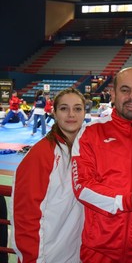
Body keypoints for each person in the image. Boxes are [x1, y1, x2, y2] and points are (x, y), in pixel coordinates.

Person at [71, 67, 132, 263]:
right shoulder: (91, 133)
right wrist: (126, 201)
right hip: (100, 251)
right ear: (113, 93)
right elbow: (81, 187)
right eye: (125, 90)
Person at [11, 88, 86, 263]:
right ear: (54, 112)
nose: (71, 114)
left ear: (84, 112)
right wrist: (32, 257)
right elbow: (24, 212)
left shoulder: (85, 150)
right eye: (64, 108)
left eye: (77, 108)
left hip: (76, 252)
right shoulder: (41, 154)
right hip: (46, 255)